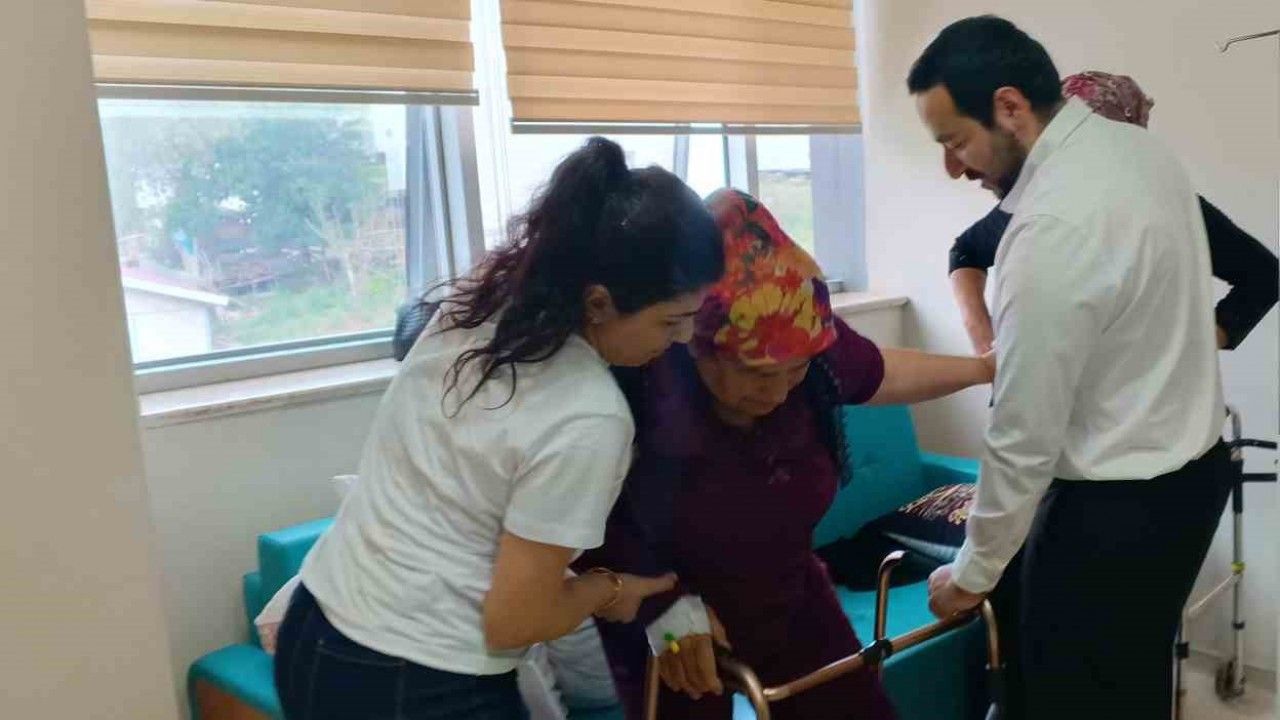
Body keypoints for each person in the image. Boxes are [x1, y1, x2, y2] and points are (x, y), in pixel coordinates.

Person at [273, 137, 726, 720]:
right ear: (598, 302)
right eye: (671, 321)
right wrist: (609, 590)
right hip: (417, 679)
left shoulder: (477, 304)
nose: (685, 338)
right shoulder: (589, 414)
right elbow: (515, 620)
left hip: (315, 627)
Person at [909, 16, 1235, 719]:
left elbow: (1022, 436)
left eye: (955, 142)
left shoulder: (1051, 228)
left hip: (1113, 514)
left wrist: (970, 574)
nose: (954, 168)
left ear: (1010, 107)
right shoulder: (1139, 152)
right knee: (1132, 686)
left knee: (1066, 699)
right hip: (1193, 481)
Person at [579, 189, 996, 720]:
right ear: (695, 344)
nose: (776, 392)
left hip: (787, 588)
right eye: (755, 373)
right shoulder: (642, 378)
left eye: (794, 371)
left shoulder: (808, 337)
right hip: (665, 606)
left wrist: (986, 368)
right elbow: (587, 520)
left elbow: (879, 373)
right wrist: (662, 607)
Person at [949, 70, 1278, 355]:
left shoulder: (1169, 207)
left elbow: (1265, 276)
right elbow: (966, 251)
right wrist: (984, 342)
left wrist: (1193, 345)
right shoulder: (1028, 205)